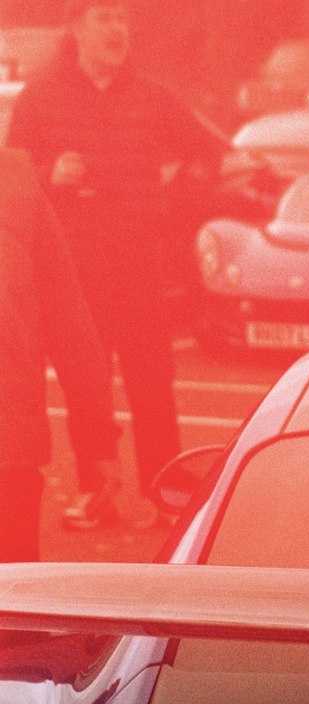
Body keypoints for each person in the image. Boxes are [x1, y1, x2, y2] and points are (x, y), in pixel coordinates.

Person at [7, 0, 219, 529]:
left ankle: (166, 493)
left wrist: (174, 210)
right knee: (88, 383)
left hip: (142, 269)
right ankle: (95, 491)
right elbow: (14, 177)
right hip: (78, 275)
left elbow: (207, 152)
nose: (117, 28)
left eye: (123, 19)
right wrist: (49, 172)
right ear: (76, 26)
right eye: (105, 17)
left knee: (153, 384)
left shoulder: (151, 97)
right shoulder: (41, 98)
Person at [0, 146, 117, 560]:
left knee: (14, 607)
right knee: (13, 610)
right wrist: (96, 442)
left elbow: (70, 326)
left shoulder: (18, 187)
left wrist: (96, 441)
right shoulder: (19, 187)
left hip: (10, 452)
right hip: (10, 449)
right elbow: (71, 328)